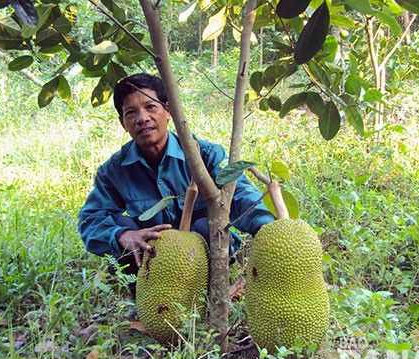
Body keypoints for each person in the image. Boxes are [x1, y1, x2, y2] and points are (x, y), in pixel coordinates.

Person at [78, 73, 274, 290]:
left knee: (206, 227)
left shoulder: (207, 156)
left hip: (200, 254)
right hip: (153, 261)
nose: (142, 118)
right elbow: (90, 220)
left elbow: (240, 194)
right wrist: (122, 235)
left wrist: (267, 229)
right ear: (123, 123)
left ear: (168, 111)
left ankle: (206, 297)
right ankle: (146, 300)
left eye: (150, 107)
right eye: (131, 113)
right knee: (122, 227)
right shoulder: (113, 171)